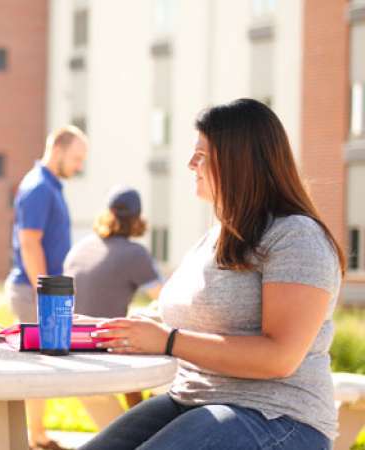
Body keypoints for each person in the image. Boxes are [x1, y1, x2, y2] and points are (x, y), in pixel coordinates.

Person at [78, 98, 344, 450]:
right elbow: (168, 317)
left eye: (201, 155)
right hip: (191, 400)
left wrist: (168, 340)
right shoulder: (217, 236)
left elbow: (280, 357)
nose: (190, 164)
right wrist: (97, 330)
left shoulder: (296, 236)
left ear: (240, 163)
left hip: (277, 417)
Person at [5, 125, 88, 450]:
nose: (79, 166)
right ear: (59, 149)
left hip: (42, 290)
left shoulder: (52, 186)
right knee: (39, 364)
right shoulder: (39, 186)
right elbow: (29, 244)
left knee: (40, 365)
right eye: (77, 158)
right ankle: (33, 438)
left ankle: (36, 436)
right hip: (33, 290)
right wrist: (46, 296)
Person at [63, 185, 162, 426]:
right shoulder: (135, 253)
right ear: (137, 220)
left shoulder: (80, 248)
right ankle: (147, 423)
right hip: (103, 344)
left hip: (70, 343)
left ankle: (140, 417)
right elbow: (166, 299)